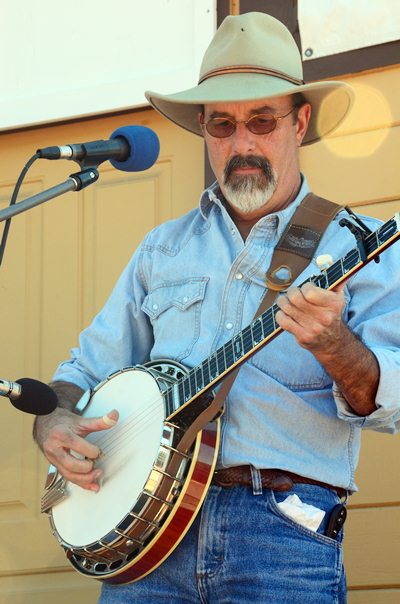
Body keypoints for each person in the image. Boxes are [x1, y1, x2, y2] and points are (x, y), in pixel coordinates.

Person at [33, 12, 400, 604]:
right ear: (203, 130)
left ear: (300, 122)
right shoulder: (162, 249)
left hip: (283, 536)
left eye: (262, 120)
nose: (243, 144)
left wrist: (338, 347)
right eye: (223, 125)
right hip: (147, 543)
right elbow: (80, 377)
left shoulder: (358, 244)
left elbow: (393, 403)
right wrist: (54, 423)